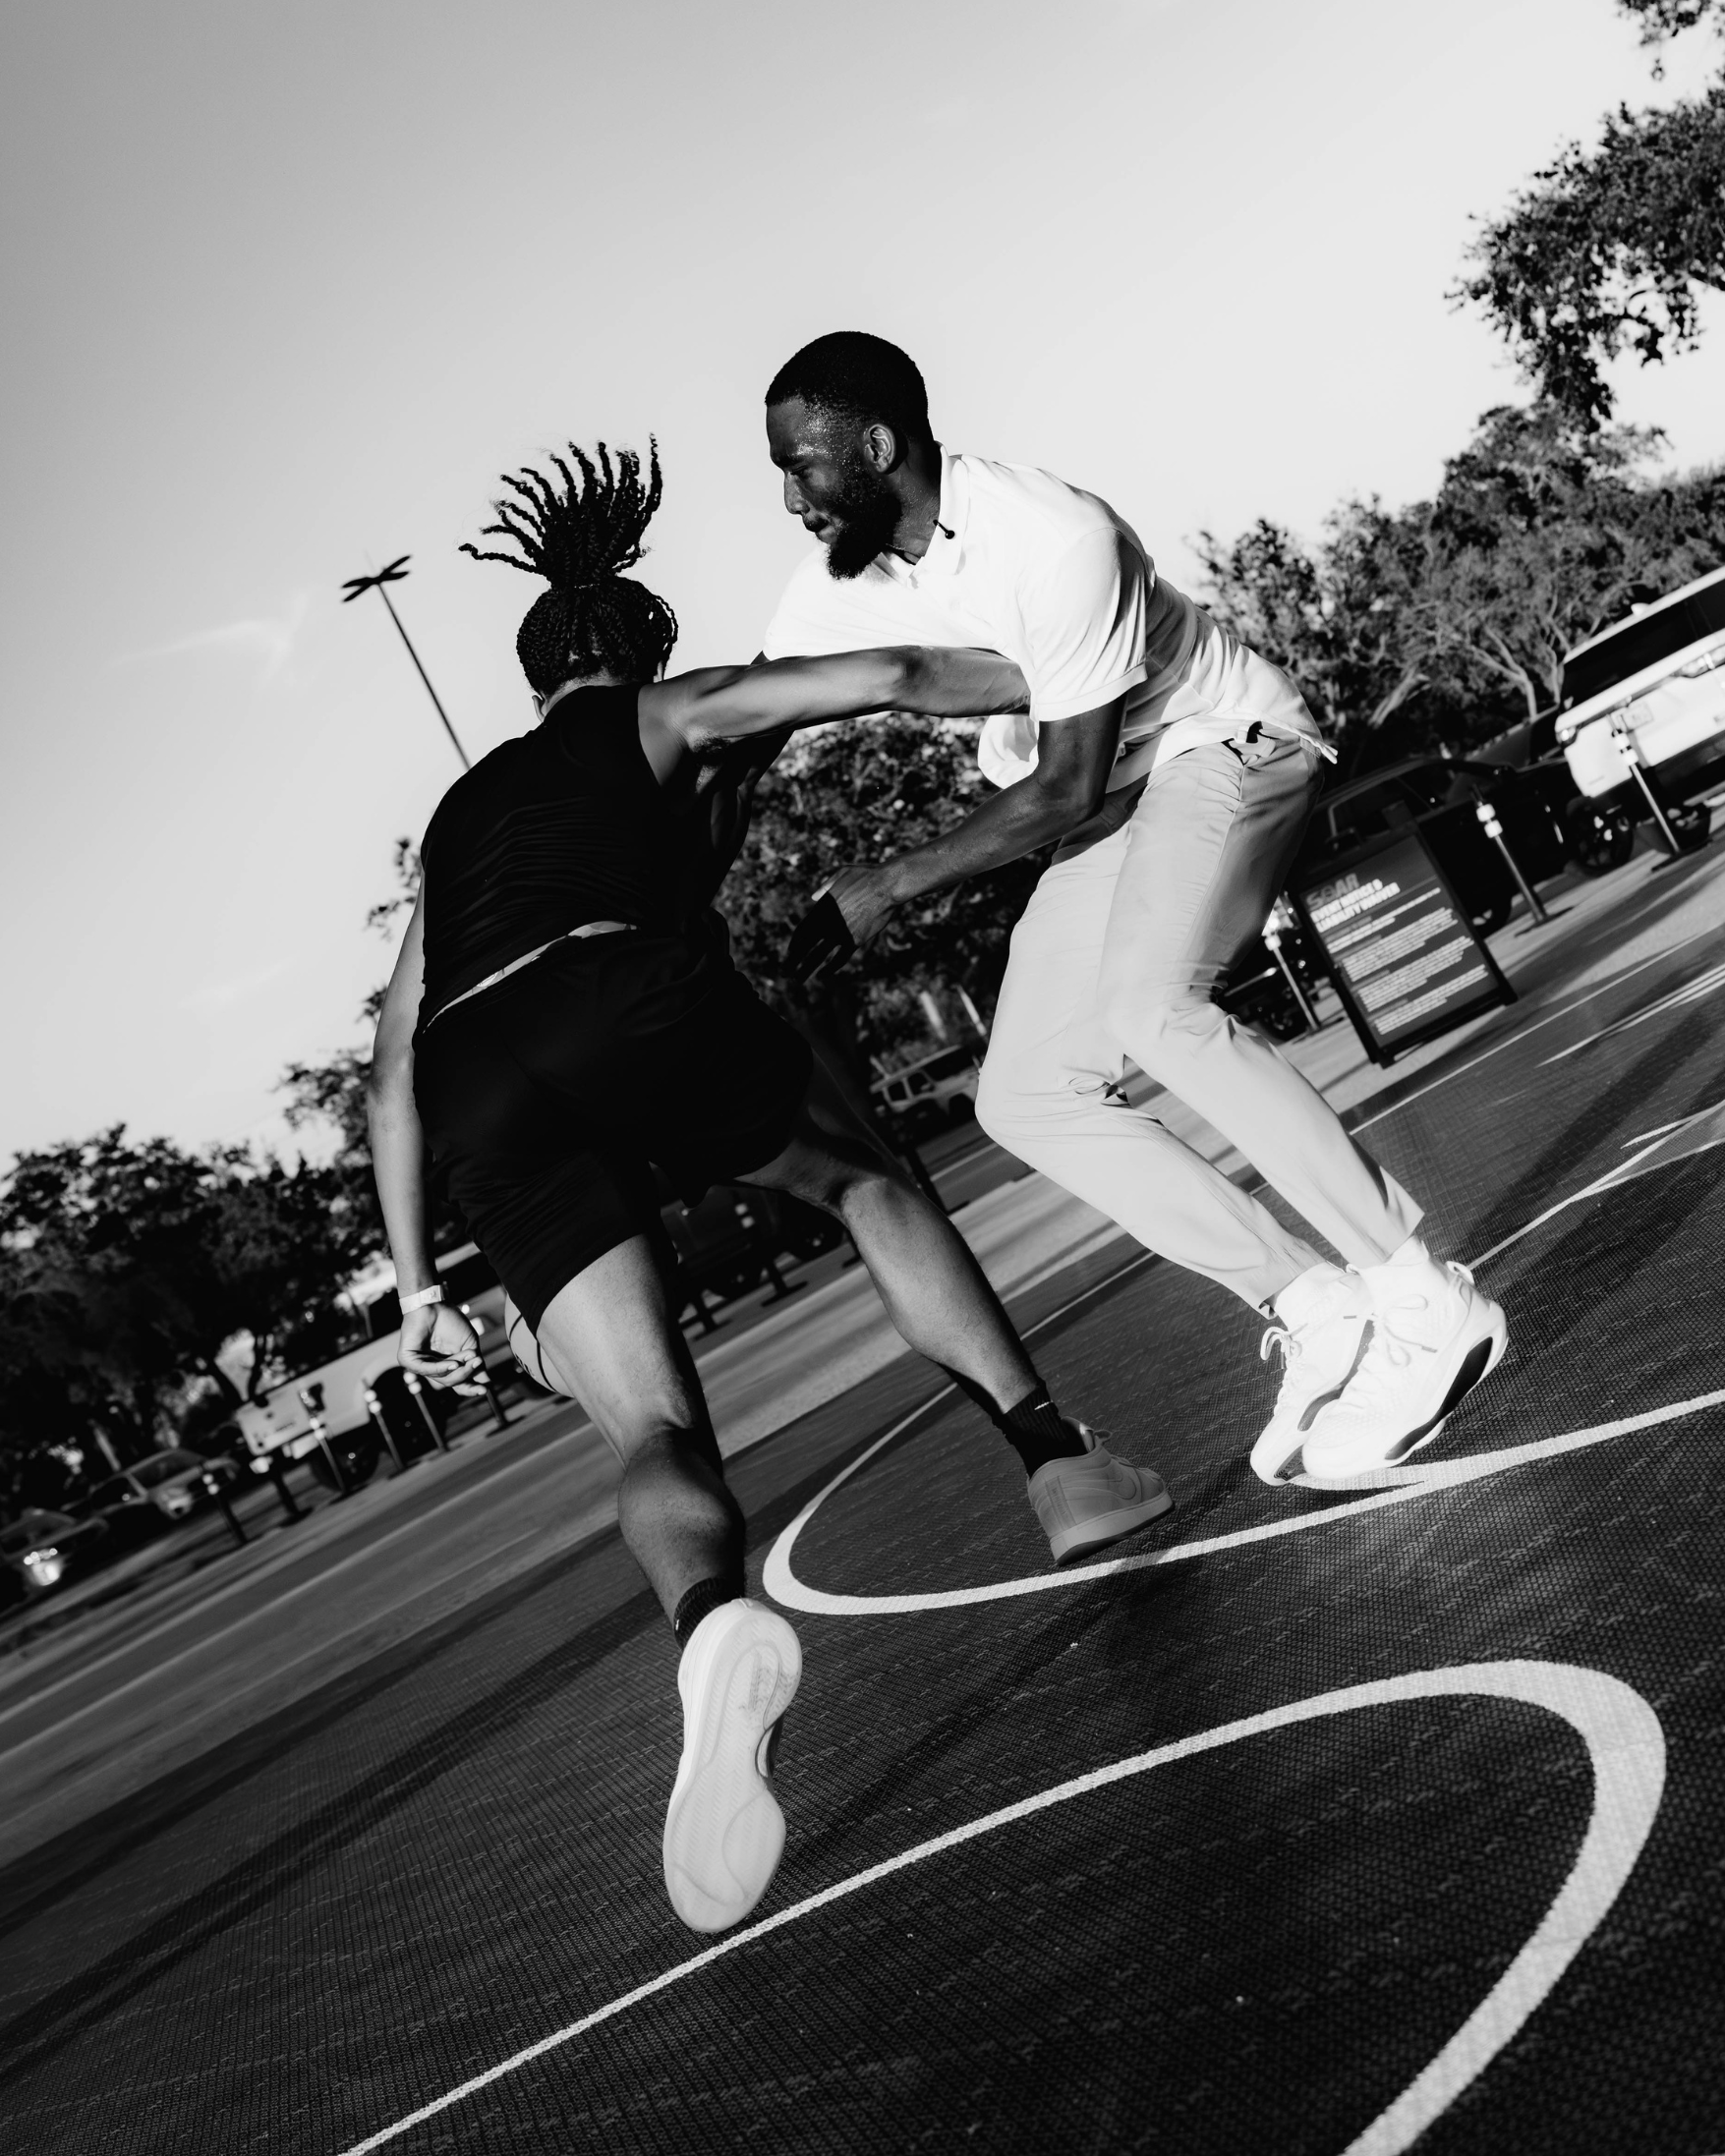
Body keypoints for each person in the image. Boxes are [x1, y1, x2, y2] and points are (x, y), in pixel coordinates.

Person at [367, 441, 1174, 1937]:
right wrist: (1036, 674)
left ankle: (709, 1621)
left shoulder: (459, 824)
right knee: (868, 1183)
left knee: (652, 1424)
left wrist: (420, 1293)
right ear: (636, 654)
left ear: (530, 679)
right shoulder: (662, 711)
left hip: (475, 1070)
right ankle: (1056, 1464)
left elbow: (386, 1069)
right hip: (613, 986)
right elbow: (882, 670)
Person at [762, 334, 1508, 1489]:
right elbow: (745, 703)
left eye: (802, 467)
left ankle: (1422, 1292)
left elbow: (1059, 786)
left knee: (1155, 1008)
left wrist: (887, 884)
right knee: (1023, 1093)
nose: (793, 499)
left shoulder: (1057, 539)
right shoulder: (846, 572)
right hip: (1119, 802)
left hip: (1227, 745)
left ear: (876, 446)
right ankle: (1315, 1304)